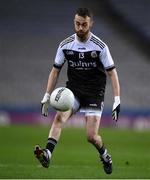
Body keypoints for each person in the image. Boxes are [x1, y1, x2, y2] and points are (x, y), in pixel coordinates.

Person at [34, 8, 120, 175]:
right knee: (59, 117)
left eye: (84, 24)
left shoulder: (100, 46)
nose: (80, 28)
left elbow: (112, 72)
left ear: (91, 24)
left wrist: (117, 99)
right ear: (74, 22)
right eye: (77, 24)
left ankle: (105, 155)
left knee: (91, 136)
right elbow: (55, 70)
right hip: (73, 91)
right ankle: (48, 153)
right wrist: (46, 95)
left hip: (94, 92)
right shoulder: (65, 45)